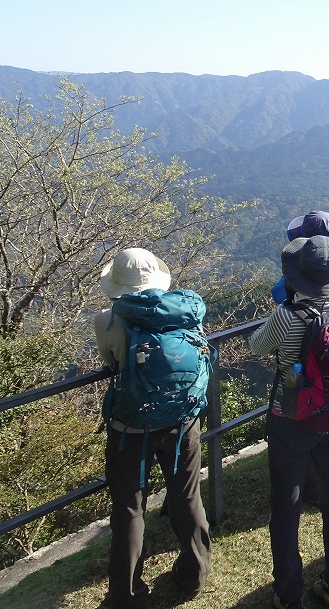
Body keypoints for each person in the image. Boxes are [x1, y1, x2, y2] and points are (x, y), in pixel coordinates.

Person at [249, 236, 329, 609]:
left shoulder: (286, 316)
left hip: (291, 418)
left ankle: (288, 593)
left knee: (287, 504)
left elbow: (257, 346)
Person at [94, 248, 211, 608]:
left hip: (131, 426)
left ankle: (127, 595)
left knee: (130, 509)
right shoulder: (185, 311)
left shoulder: (108, 319)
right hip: (183, 420)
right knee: (187, 497)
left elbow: (110, 359)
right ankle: (193, 576)